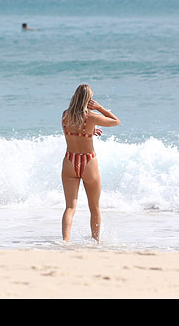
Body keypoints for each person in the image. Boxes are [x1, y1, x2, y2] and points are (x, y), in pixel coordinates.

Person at [61, 84, 120, 243]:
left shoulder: (65, 115)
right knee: (94, 208)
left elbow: (76, 131)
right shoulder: (92, 117)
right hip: (87, 161)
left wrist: (91, 131)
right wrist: (100, 108)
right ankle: (96, 242)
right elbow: (116, 121)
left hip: (70, 160)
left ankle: (65, 242)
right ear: (88, 100)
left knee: (70, 207)